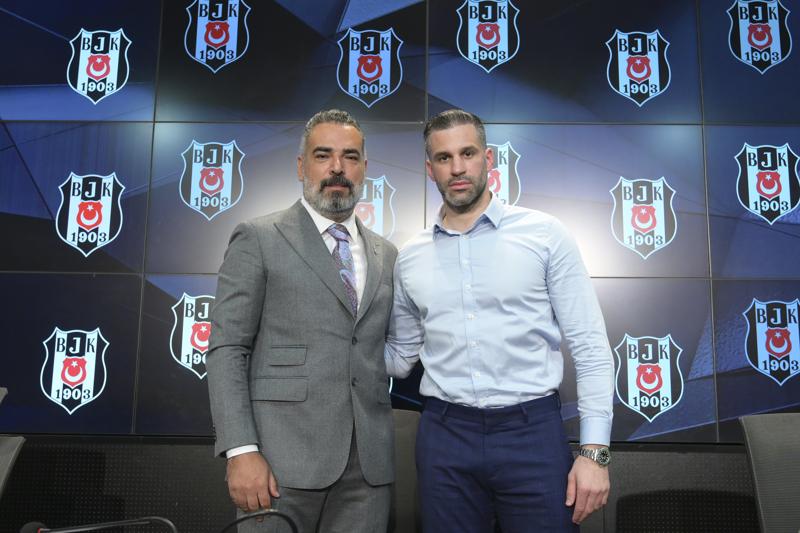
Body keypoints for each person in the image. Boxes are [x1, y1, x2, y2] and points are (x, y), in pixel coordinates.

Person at [385, 109, 614, 532]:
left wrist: (594, 453)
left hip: (532, 433)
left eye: (468, 153)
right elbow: (399, 358)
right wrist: (332, 344)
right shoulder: (410, 257)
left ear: (488, 159)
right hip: (444, 438)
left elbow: (590, 347)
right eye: (443, 157)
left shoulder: (545, 235)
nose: (457, 168)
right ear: (430, 169)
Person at [207, 109, 398, 533]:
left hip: (367, 473)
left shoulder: (387, 254)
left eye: (350, 157)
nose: (337, 168)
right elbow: (227, 349)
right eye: (323, 155)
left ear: (364, 168)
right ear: (300, 166)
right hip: (278, 467)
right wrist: (240, 450)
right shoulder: (258, 237)